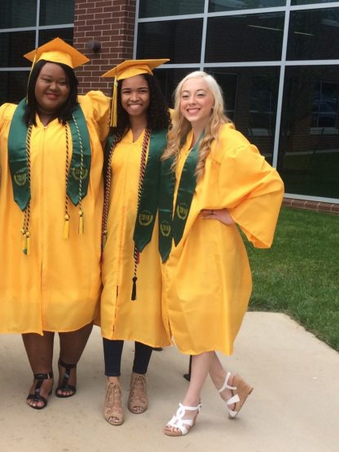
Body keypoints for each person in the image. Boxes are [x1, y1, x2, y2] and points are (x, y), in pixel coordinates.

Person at [0, 38, 109, 409]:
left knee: (77, 297)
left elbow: (141, 109)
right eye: (46, 79)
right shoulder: (7, 117)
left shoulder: (90, 114)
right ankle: (42, 374)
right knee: (30, 302)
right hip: (21, 232)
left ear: (72, 87)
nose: (54, 87)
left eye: (63, 81)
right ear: (33, 80)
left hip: (75, 232)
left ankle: (68, 365)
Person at [159, 71, 284, 436]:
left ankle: (191, 403)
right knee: (192, 318)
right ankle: (229, 386)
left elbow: (270, 183)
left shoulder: (228, 141)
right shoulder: (186, 138)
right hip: (188, 239)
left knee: (201, 321)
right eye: (185, 95)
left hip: (212, 243)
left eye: (200, 94)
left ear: (214, 100)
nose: (192, 101)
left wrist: (235, 214)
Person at [99, 59, 172, 426]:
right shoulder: (113, 137)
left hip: (152, 232)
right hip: (116, 234)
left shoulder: (171, 134)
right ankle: (113, 383)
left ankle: (138, 378)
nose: (134, 97)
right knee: (113, 304)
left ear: (152, 94)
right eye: (126, 91)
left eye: (141, 90)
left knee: (145, 302)